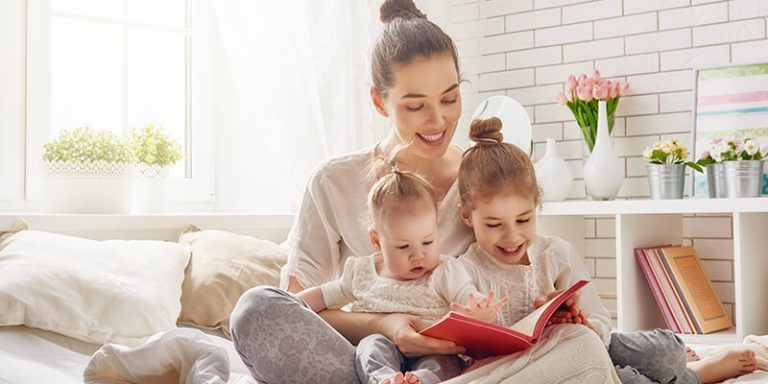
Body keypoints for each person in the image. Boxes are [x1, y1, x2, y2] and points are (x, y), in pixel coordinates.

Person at [229, 0, 618, 383]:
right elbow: (295, 311)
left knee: (581, 344)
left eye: (450, 99)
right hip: (369, 362)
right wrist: (388, 326)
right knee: (256, 310)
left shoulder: (485, 179)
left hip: (468, 365)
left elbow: (524, 286)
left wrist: (558, 314)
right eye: (416, 106)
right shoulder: (333, 182)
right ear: (379, 102)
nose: (439, 120)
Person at [454, 116, 758, 384]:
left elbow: (601, 324)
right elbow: (469, 358)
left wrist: (581, 321)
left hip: (593, 343)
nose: (512, 235)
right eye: (494, 225)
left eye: (524, 219)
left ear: (536, 206)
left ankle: (683, 366)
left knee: (666, 352)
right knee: (623, 379)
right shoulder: (464, 271)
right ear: (467, 216)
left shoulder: (556, 254)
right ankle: (698, 375)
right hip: (548, 368)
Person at [297, 157, 507, 384]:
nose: (418, 255)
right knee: (370, 348)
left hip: (433, 350)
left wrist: (478, 312)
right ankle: (385, 380)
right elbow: (323, 295)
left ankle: (418, 381)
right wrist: (291, 303)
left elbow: (467, 297)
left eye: (427, 242)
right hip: (383, 345)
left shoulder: (444, 271)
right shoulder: (362, 273)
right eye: (403, 246)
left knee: (444, 363)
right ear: (376, 240)